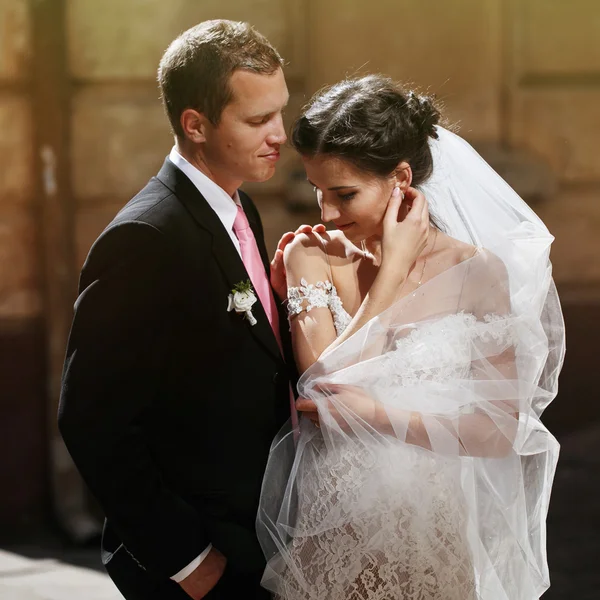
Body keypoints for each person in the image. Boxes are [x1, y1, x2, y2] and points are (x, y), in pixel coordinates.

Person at [257, 75, 565, 599]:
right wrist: (395, 267)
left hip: (433, 532)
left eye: (344, 193)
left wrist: (378, 416)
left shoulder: (477, 272)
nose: (327, 213)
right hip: (334, 527)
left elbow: (497, 431)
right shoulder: (309, 255)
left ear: (401, 178)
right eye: (317, 190)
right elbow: (324, 386)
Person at [58, 20, 320, 600]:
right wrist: (190, 562)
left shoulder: (241, 208)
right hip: (198, 559)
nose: (279, 135)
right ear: (194, 124)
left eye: (279, 112)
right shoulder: (144, 239)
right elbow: (91, 421)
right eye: (256, 121)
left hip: (257, 538)